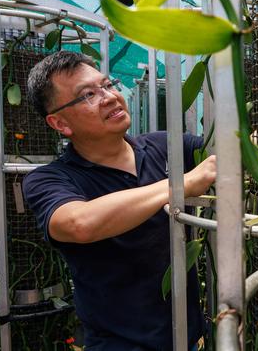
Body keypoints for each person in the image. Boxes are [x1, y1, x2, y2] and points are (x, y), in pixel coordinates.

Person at [22, 50, 216, 350]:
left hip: (190, 339)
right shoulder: (50, 179)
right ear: (60, 123)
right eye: (88, 95)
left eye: (108, 85)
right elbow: (79, 223)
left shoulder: (164, 146)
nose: (110, 97)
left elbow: (223, 150)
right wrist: (182, 184)